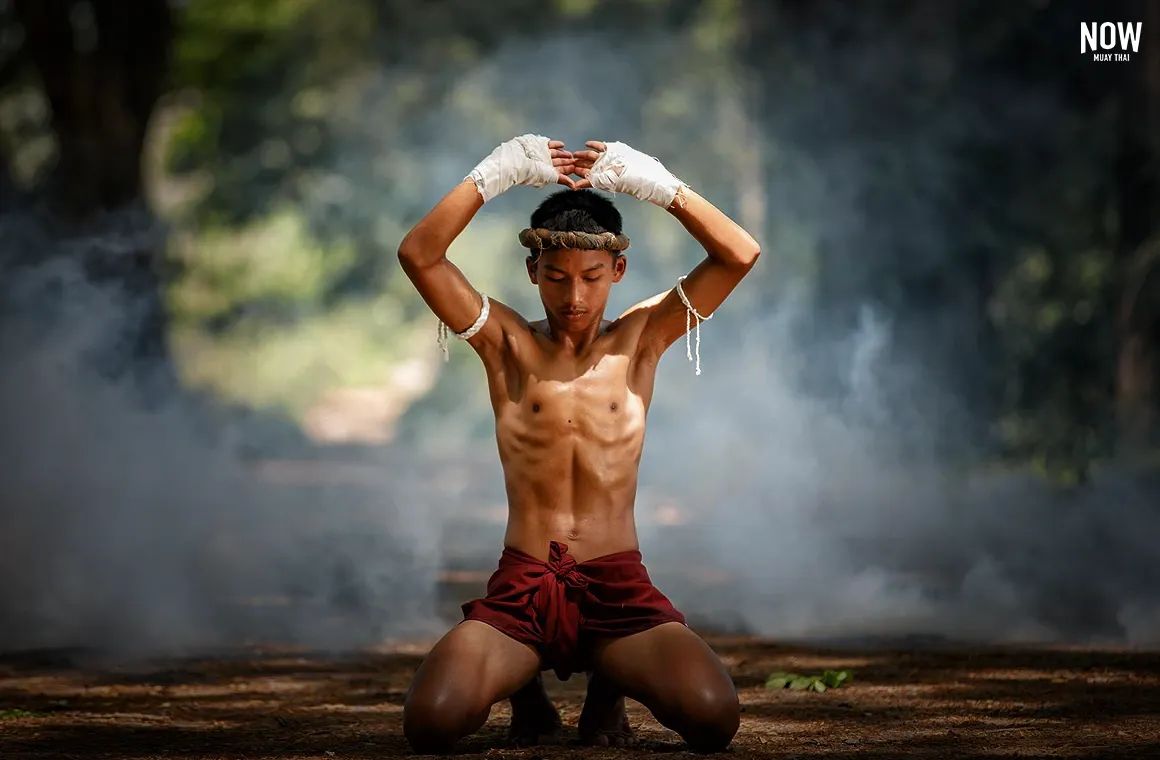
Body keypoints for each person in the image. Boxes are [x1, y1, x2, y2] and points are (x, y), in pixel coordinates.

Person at [397, 134, 761, 753]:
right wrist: (495, 174)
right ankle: (528, 692)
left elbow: (739, 254)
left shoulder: (641, 338)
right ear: (533, 271)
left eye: (592, 277)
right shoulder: (505, 342)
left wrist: (660, 186)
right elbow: (420, 255)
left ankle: (609, 682)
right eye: (557, 277)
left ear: (617, 270)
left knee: (712, 718)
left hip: (617, 590)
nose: (574, 297)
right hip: (523, 590)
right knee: (431, 723)